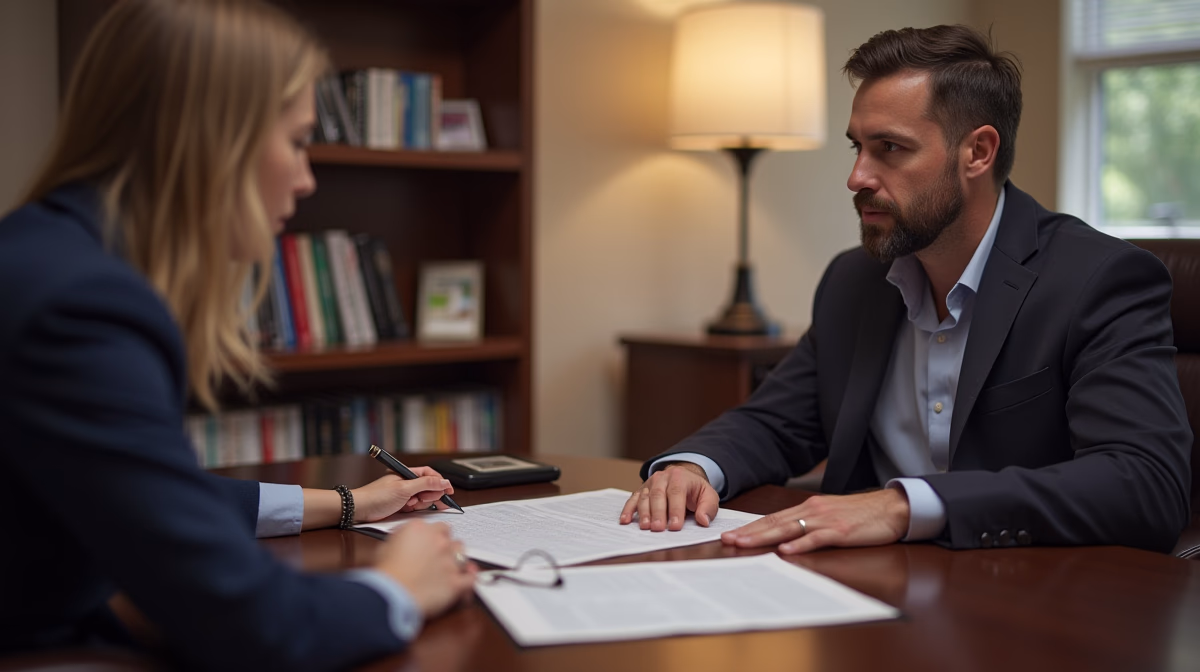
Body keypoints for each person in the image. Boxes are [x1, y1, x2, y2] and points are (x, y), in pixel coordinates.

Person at [0, 0, 476, 668]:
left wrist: (349, 502)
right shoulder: (82, 306)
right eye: (298, 140)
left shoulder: (49, 255)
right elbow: (256, 627)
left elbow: (155, 495)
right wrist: (396, 588)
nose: (308, 178)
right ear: (209, 137)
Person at [620, 24, 1192, 555]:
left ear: (978, 152)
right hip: (866, 592)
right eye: (857, 147)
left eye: (889, 148)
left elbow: (1145, 482)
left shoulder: (1097, 279)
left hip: (1024, 597)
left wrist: (903, 506)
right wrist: (693, 467)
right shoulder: (854, 280)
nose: (857, 177)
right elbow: (776, 422)